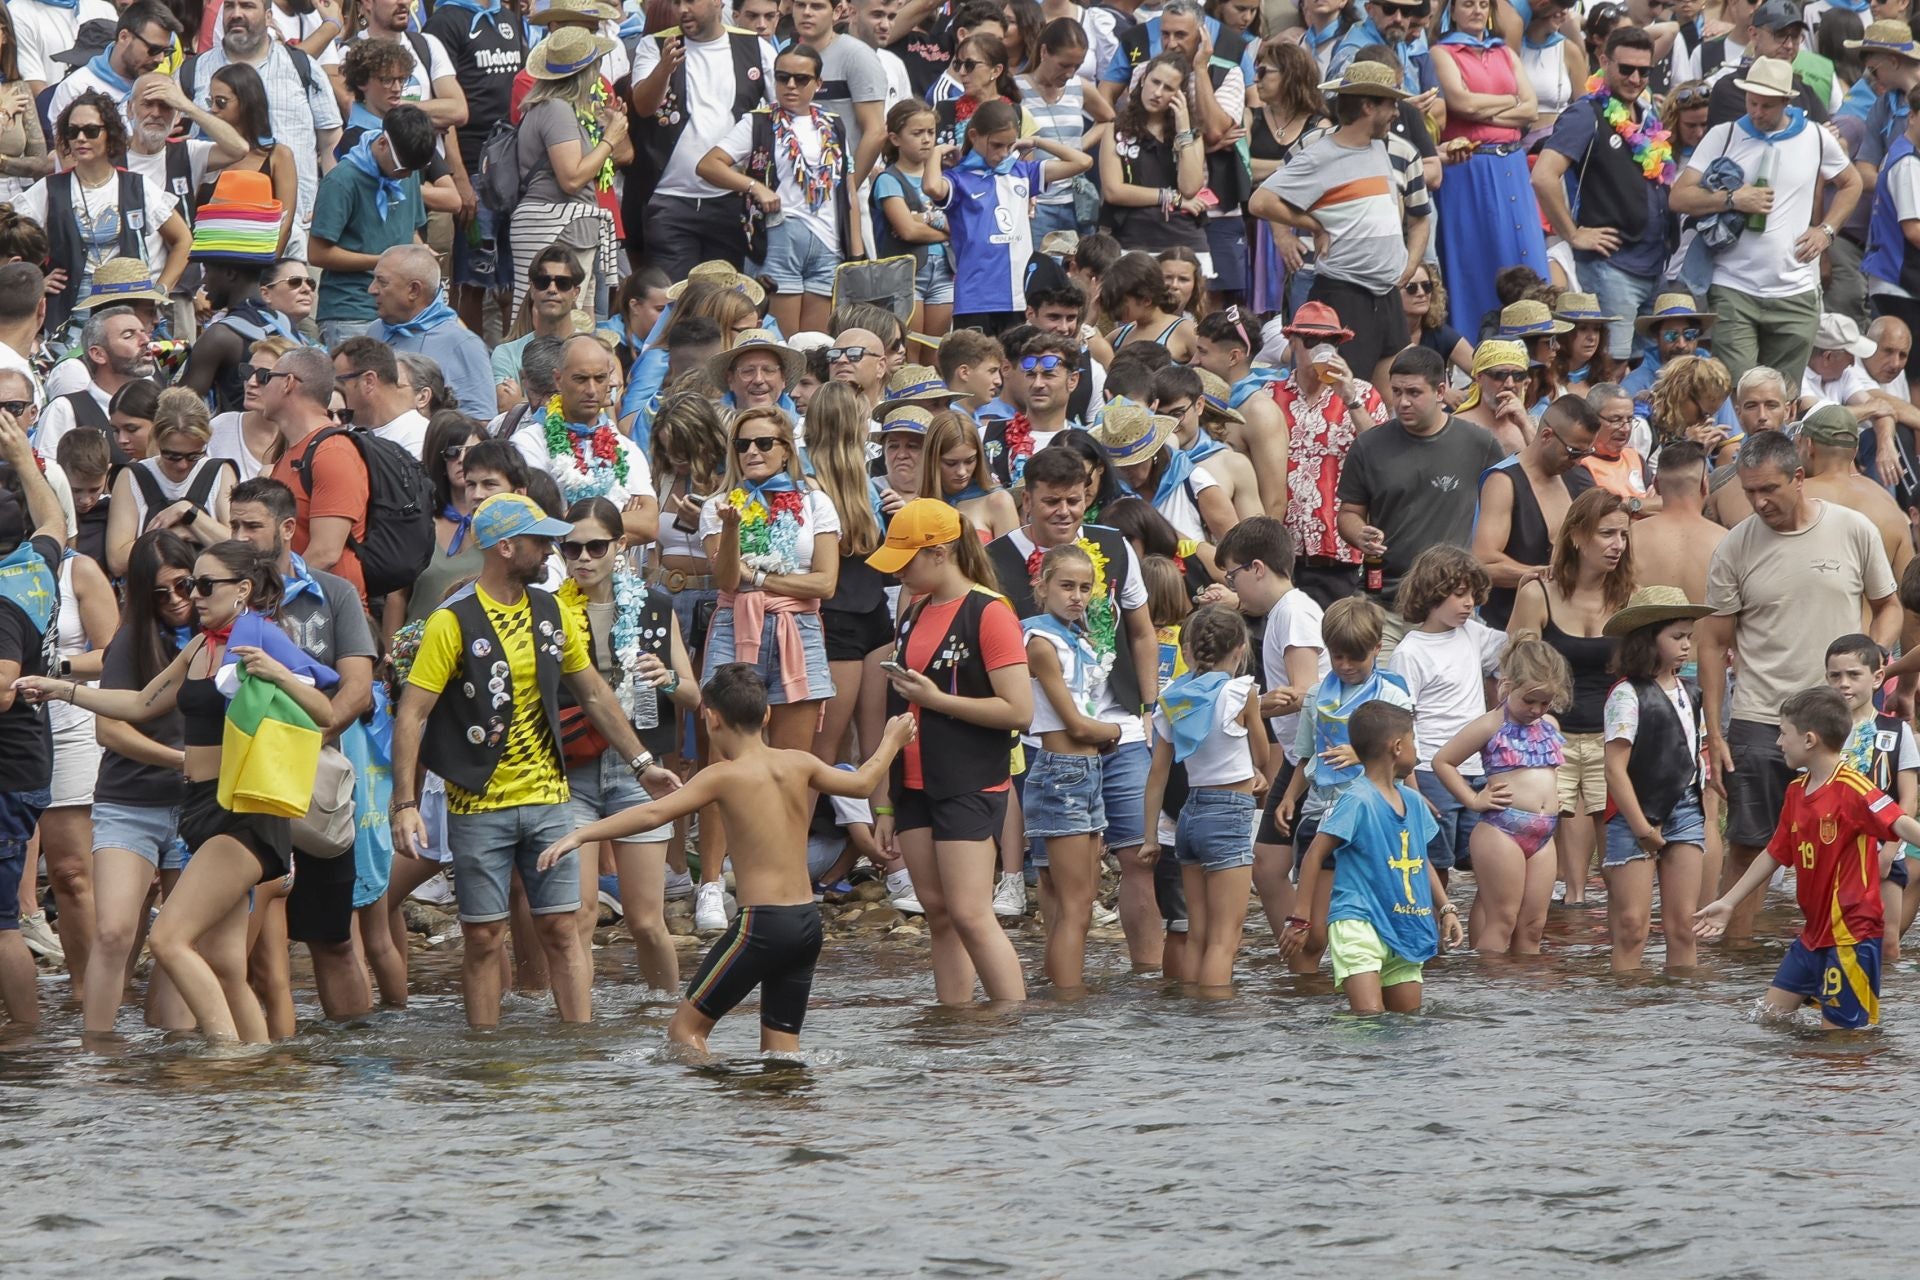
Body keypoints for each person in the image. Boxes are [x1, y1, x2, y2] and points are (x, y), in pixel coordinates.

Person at [18, 537, 340, 1043]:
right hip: (198, 808)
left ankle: (227, 1058)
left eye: (204, 585)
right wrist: (64, 689)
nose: (193, 595)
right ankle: (262, 1070)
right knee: (227, 965)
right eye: (192, 583)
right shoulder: (200, 644)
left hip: (242, 813)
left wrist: (279, 673)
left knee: (169, 939)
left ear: (243, 590)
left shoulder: (265, 637)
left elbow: (324, 711)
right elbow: (144, 703)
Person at [389, 493, 683, 1028]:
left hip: (551, 797)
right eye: (541, 540)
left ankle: (580, 1046)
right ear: (506, 546)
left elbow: (594, 694)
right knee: (482, 936)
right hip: (478, 803)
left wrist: (643, 763)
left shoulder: (550, 612)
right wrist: (404, 803)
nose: (553, 549)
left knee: (563, 929)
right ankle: (484, 1054)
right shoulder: (452, 621)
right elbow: (412, 715)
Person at [539, 664, 914, 1053]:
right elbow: (863, 782)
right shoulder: (799, 763)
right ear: (767, 714)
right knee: (781, 1051)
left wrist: (581, 833)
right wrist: (892, 738)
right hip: (805, 925)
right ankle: (784, 1108)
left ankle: (714, 1112)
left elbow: (653, 813)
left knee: (684, 1034)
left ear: (711, 717)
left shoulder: (722, 776)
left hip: (762, 927)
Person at [1698, 430, 1900, 941]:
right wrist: (1715, 733)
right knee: (1749, 843)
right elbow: (1712, 642)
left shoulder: (1854, 529)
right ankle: (1737, 957)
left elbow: (1889, 606)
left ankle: (1849, 948)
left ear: (1798, 477)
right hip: (1763, 720)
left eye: (1769, 489)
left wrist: (1872, 666)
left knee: (1854, 841)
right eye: (1749, 492)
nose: (1760, 501)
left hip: (1842, 723)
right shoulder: (1735, 546)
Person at [225, 477, 392, 1018]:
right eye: (234, 525)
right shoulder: (224, 593)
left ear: (288, 528)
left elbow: (358, 688)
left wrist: (299, 743)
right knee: (245, 949)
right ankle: (259, 1067)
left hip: (318, 786)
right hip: (245, 789)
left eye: (252, 525)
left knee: (333, 938)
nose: (241, 536)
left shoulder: (335, 592)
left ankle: (357, 1066)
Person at [986, 446, 1161, 961]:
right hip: (1046, 739)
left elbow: (1143, 633)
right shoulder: (996, 560)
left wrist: (1148, 708)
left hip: (1121, 728)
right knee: (1056, 876)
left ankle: (1149, 982)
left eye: (1074, 501)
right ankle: (1061, 993)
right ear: (1027, 501)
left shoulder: (1114, 545)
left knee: (1139, 858)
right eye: (1051, 502)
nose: (1064, 512)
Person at [867, 499, 1032, 1004]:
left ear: (940, 553)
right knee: (937, 912)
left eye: (907, 561)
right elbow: (898, 710)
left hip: (968, 778)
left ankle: (1013, 1027)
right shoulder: (915, 611)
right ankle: (955, 1022)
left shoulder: (990, 612)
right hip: (914, 783)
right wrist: (886, 802)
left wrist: (937, 701)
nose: (899, 574)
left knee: (970, 913)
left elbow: (1019, 711)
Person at [1694, 687, 1920, 1030]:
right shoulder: (1796, 791)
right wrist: (1728, 901)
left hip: (1851, 935)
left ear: (1810, 739)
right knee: (1769, 1021)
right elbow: (1774, 853)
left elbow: (1901, 823)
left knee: (1841, 1043)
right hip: (1812, 934)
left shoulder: (1853, 788)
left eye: (1784, 734)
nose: (1779, 743)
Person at [553, 496, 700, 994]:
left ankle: (668, 1016)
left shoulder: (653, 606)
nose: (583, 559)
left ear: (619, 546)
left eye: (596, 546)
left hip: (640, 770)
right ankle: (579, 1036)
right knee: (580, 915)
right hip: (572, 769)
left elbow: (694, 694)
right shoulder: (549, 611)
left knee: (646, 921)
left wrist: (667, 679)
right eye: (571, 549)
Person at [1671, 57, 1860, 388]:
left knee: (1783, 400)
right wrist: (1731, 199)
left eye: (1767, 106)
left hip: (1796, 292)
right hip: (1734, 288)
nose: (1757, 112)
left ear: (1787, 101)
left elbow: (1851, 182)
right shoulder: (1724, 134)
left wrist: (1826, 231)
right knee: (1738, 393)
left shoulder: (1815, 137)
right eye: (1752, 102)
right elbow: (1679, 197)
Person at [1250, 60, 1429, 388]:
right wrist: (1314, 225)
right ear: (1367, 106)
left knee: (1394, 399)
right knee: (1342, 400)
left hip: (1386, 296)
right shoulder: (1320, 154)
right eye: (1390, 104)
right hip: (1346, 296)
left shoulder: (1380, 147)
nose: (1396, 112)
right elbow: (1260, 201)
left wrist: (1408, 266)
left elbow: (1418, 218)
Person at [1280, 699, 1466, 1014]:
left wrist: (1446, 908)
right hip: (1358, 922)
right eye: (1413, 741)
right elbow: (1314, 855)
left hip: (1405, 923)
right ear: (1396, 746)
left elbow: (1421, 862)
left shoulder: (1414, 802)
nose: (1416, 750)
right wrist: (1301, 917)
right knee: (1369, 1019)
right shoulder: (1357, 800)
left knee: (1407, 1023)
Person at [1506, 487, 1641, 906]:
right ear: (1578, 536)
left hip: (1610, 737)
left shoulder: (1630, 598)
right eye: (1606, 534)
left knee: (1614, 842)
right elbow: (1515, 665)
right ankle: (1558, 932)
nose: (1617, 545)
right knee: (1543, 839)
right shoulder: (1538, 592)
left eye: (1623, 535)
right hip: (1551, 735)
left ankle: (1617, 936)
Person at [1533, 28, 1681, 363]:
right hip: (1612, 269)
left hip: (1655, 266)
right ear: (1603, 61)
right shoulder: (1586, 113)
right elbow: (1543, 176)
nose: (1635, 78)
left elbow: (1667, 29)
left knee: (1649, 372)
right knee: (1613, 370)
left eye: (1644, 71)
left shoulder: (1646, 114)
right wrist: (1572, 234)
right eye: (1626, 68)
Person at [697, 43, 866, 335]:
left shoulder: (834, 124)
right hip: (779, 235)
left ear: (818, 84)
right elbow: (709, 164)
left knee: (815, 342)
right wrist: (754, 186)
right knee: (781, 339)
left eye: (801, 79)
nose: (790, 85)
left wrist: (856, 254)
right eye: (782, 77)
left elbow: (849, 191)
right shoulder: (758, 121)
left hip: (829, 242)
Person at [1144, 603, 1268, 991]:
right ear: (1240, 651)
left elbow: (1157, 775)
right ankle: (1216, 1025)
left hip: (1188, 816)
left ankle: (1192, 1019)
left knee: (1197, 933)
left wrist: (1150, 837)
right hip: (1229, 815)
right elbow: (1262, 757)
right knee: (1224, 938)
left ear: (1189, 651)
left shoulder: (1173, 697)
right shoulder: (1240, 692)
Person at [1336, 345, 1505, 620]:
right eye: (1397, 391)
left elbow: (1506, 507)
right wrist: (1360, 534)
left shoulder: (1479, 444)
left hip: (1450, 605)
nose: (1402, 402)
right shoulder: (1368, 446)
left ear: (1440, 392)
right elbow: (1349, 513)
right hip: (1384, 604)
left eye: (1414, 393)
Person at [1023, 540, 1125, 990]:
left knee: (1066, 898)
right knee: (1077, 902)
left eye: (1085, 588)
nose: (1077, 597)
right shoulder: (1042, 641)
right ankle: (1069, 1001)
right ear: (1041, 586)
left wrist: (1101, 734)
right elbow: (1076, 724)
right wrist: (1119, 732)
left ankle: (1057, 990)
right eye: (1066, 586)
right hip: (1062, 772)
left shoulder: (1077, 637)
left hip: (1084, 772)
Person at [1428, 637, 1570, 955]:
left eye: (1545, 702)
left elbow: (1550, 767)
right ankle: (1491, 988)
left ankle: (1525, 994)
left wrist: (1555, 794)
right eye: (1529, 701)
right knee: (1503, 917)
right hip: (1502, 830)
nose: (1536, 710)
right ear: (1507, 685)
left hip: (1543, 833)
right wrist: (1472, 799)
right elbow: (1443, 760)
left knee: (1534, 924)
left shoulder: (1548, 724)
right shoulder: (1491, 725)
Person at [1600, 586, 1713, 972]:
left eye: (1688, 637)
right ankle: (1627, 1010)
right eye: (1677, 637)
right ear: (1649, 639)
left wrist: (1705, 802)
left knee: (1684, 925)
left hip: (1685, 809)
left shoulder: (1690, 692)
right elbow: (1614, 767)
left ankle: (1681, 1011)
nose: (1686, 646)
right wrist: (1641, 826)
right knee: (1632, 925)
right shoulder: (1627, 694)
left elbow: (1695, 755)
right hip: (1636, 812)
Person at [17, 92, 190, 340]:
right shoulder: (49, 188)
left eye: (91, 131)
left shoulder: (138, 186)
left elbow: (183, 240)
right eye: (72, 131)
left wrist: (160, 290)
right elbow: (8, 237)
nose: (80, 138)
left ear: (110, 133)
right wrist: (35, 283)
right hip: (67, 317)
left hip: (127, 312)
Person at [0, 411, 69, 1028]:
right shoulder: (32, 565)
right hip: (28, 763)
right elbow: (57, 521)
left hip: (5, 772)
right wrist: (23, 458)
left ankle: (24, 1041)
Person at [183, 0, 344, 262]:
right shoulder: (192, 72)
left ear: (269, 16)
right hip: (214, 236)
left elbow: (331, 143)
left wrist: (332, 205)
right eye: (230, 7)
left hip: (298, 230)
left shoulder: (301, 66)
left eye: (247, 6)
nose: (236, 14)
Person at [627, 0, 778, 279]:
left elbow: (779, 114)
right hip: (670, 200)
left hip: (731, 201)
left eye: (690, 1)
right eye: (676, 2)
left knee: (721, 301)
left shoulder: (756, 48)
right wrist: (664, 69)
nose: (682, 9)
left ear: (718, 3)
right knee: (670, 300)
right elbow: (643, 107)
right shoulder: (657, 44)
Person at [920, 98, 1093, 334]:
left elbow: (1083, 161)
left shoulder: (1022, 172)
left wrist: (1036, 141)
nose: (1003, 153)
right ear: (974, 136)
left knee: (1015, 367)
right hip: (975, 298)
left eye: (1009, 146)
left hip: (1018, 298)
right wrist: (936, 153)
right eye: (997, 145)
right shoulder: (959, 179)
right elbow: (931, 187)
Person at [1387, 544, 1505, 883]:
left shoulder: (1472, 633)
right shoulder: (1410, 652)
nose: (1469, 603)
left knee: (1483, 858)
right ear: (1431, 593)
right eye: (1458, 594)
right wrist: (1412, 790)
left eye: (1472, 594)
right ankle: (1436, 929)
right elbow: (1401, 725)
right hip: (1430, 773)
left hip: (1477, 768)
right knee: (1433, 864)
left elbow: (1514, 644)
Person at [511, 28, 628, 325]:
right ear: (587, 72)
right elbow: (572, 179)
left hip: (560, 224)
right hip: (559, 226)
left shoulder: (551, 108)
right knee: (560, 324)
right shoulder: (557, 110)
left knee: (578, 325)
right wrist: (609, 139)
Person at [1823, 632, 1920, 962]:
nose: (1844, 684)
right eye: (1835, 676)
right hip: (1835, 851)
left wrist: (1890, 849)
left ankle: (1882, 1010)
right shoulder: (1820, 733)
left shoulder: (1896, 732)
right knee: (1834, 934)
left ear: (1878, 678)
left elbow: (1908, 797)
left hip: (1885, 850)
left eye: (1853, 675)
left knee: (1888, 940)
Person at [308, 104, 435, 347]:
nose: (407, 176)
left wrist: (421, 256)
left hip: (401, 311)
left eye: (414, 171)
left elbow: (411, 233)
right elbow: (317, 253)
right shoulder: (342, 181)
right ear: (382, 143)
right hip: (351, 310)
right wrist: (384, 261)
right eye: (402, 169)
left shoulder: (407, 174)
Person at [1471, 395, 1602, 630]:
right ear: (1546, 436)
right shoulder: (1504, 481)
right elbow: (1484, 562)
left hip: (1564, 626)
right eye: (1573, 452)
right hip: (1508, 626)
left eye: (1586, 452)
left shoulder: (1577, 478)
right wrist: (1545, 576)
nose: (1579, 461)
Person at [178, 172, 291, 413]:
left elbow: (177, 412)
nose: (204, 281)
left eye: (207, 270)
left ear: (230, 273)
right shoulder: (283, 322)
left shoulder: (219, 337)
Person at [1098, 52, 1211, 265]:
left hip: (1184, 243)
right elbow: (1114, 191)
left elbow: (1190, 188)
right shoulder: (1116, 129)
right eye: (1155, 82)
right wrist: (1172, 198)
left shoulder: (1191, 134)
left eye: (1168, 88)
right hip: (1132, 241)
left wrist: (1183, 129)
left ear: (1180, 95)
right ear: (1143, 80)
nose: (1158, 93)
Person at [366, 245, 496, 420]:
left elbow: (480, 423)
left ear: (414, 290)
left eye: (382, 282)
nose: (371, 290)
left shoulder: (462, 343)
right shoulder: (375, 332)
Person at [34, 306, 158, 455]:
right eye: (128, 335)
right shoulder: (66, 409)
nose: (145, 340)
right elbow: (47, 474)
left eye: (143, 333)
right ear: (98, 354)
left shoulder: (160, 399)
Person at [1629, 440, 1725, 600]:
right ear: (1704, 484)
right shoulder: (1725, 541)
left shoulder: (1630, 538)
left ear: (1656, 485)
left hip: (1647, 625)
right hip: (1707, 625)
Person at [919, 408, 1021, 537]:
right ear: (932, 460)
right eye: (951, 463)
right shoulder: (917, 502)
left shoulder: (998, 502)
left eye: (969, 461)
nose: (961, 472)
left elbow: (1011, 557)